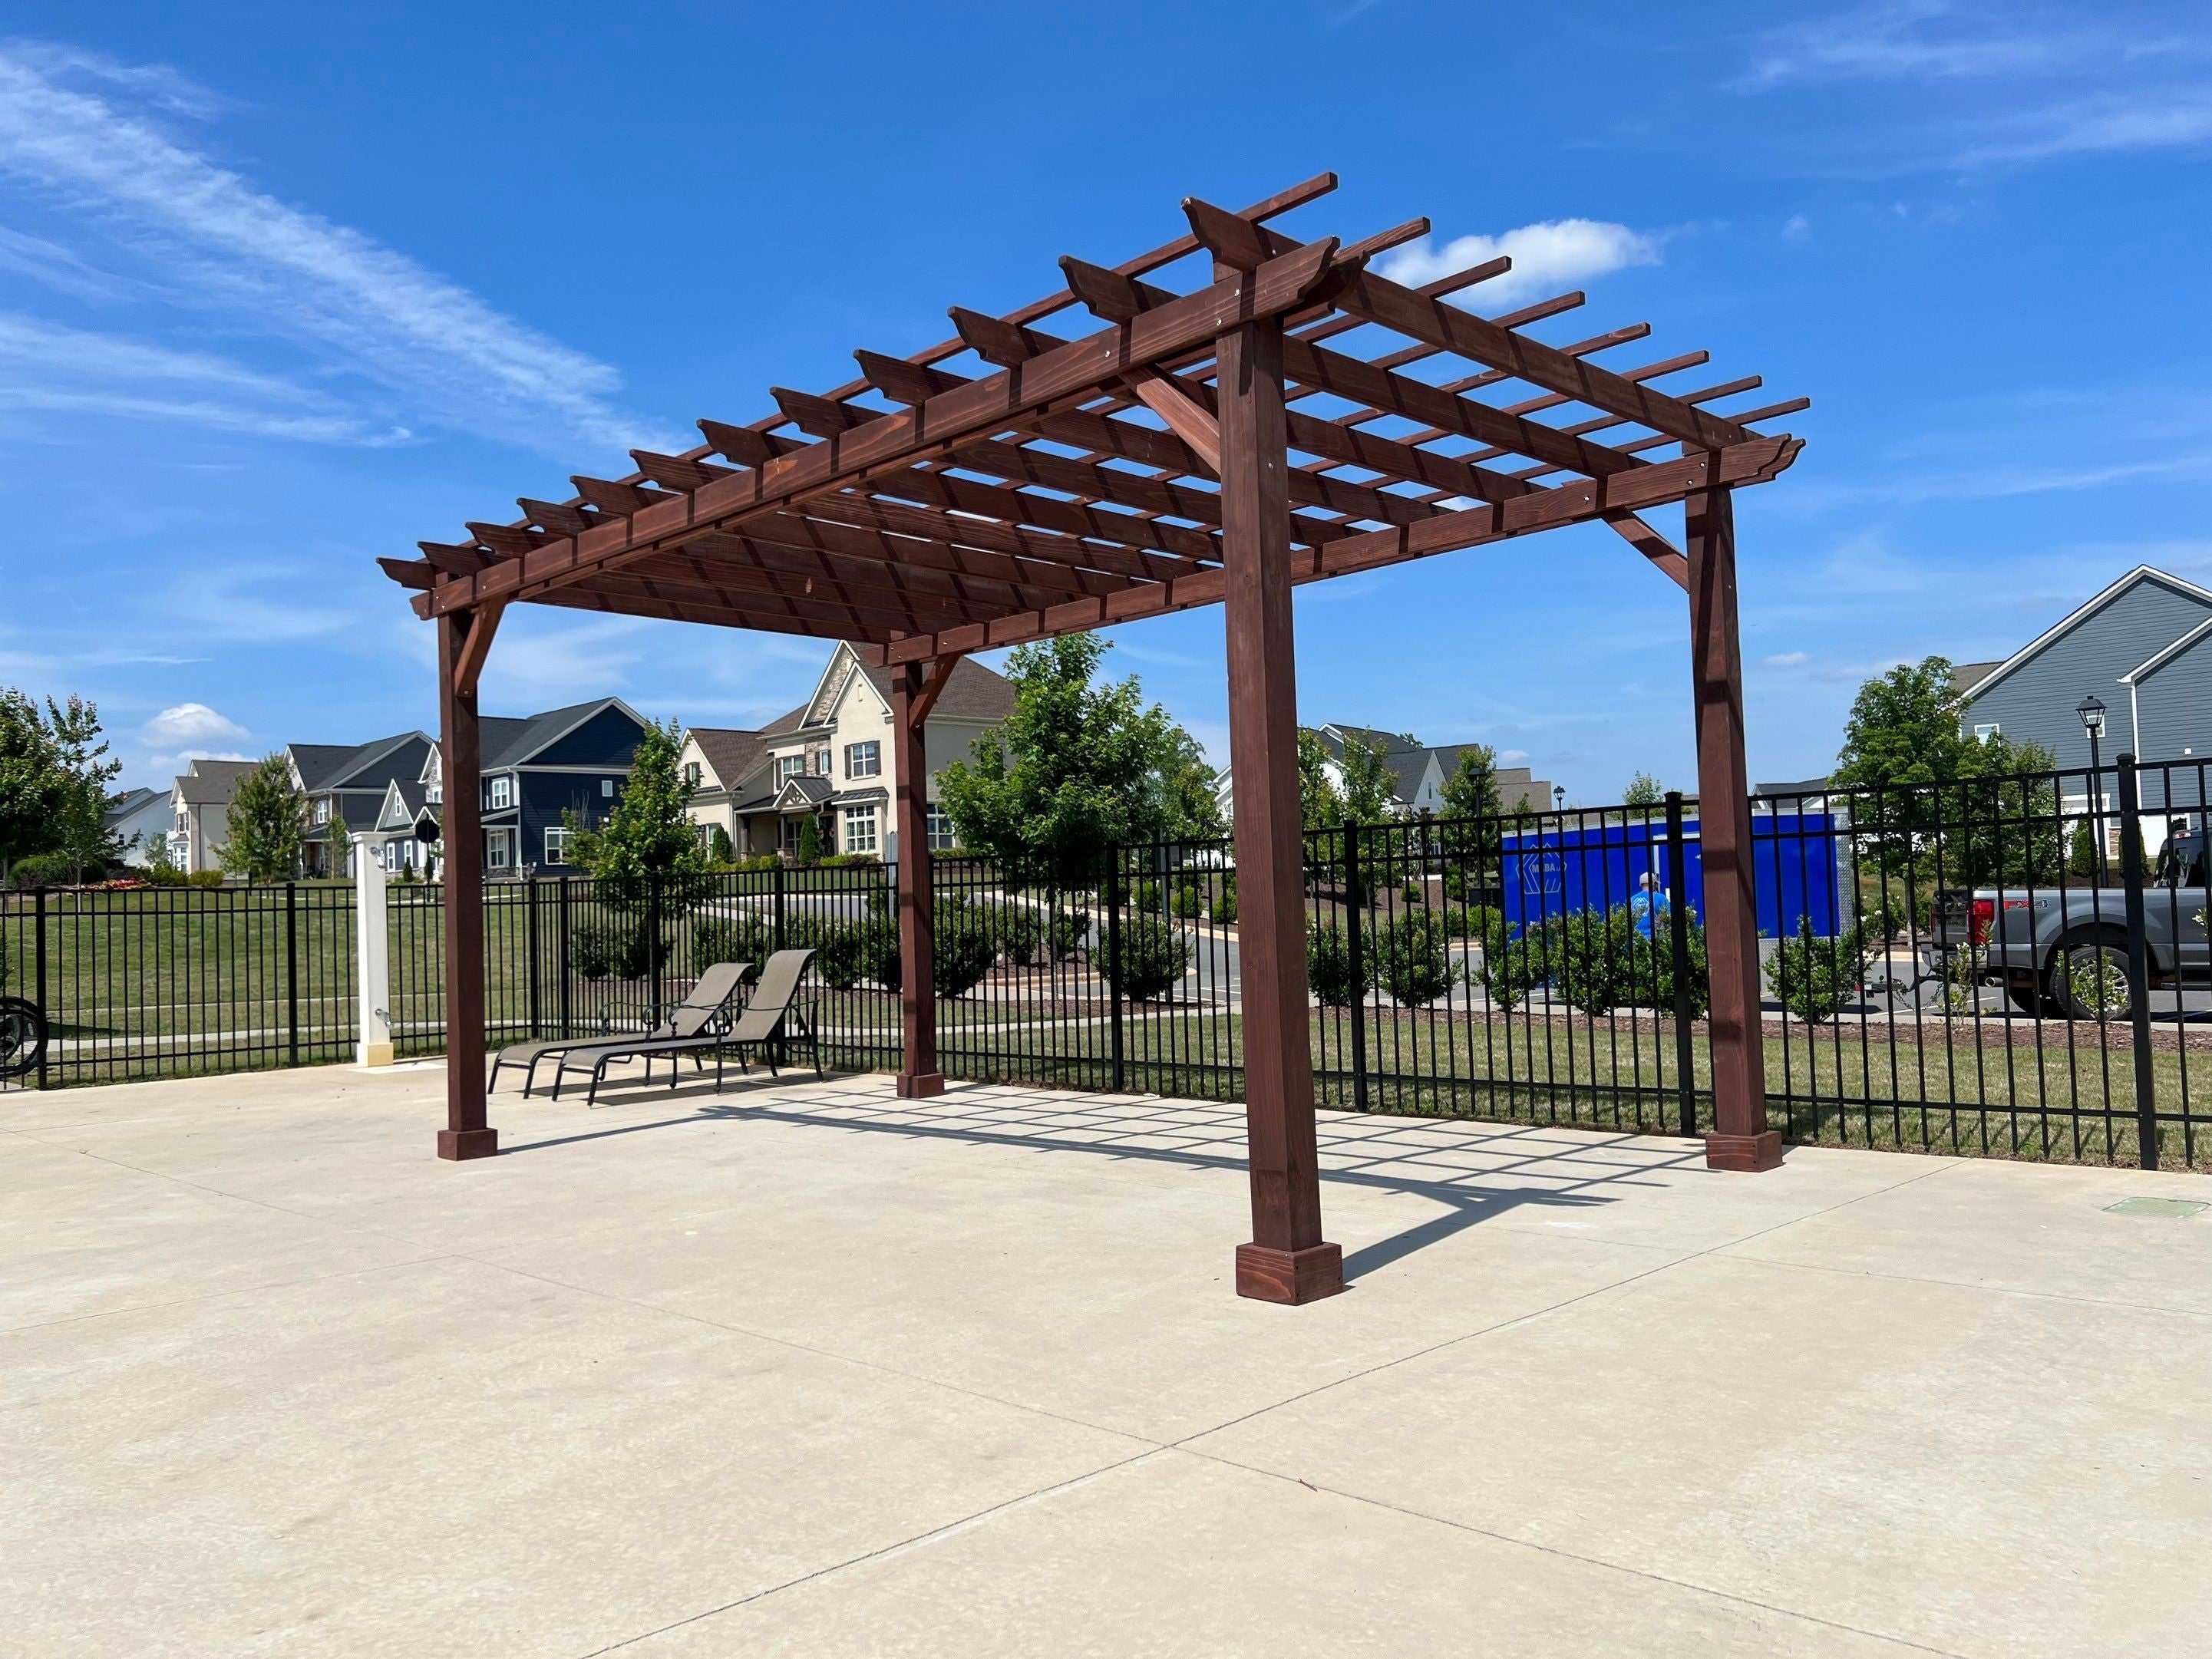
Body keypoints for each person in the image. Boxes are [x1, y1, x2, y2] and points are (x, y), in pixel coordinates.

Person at [1629, 870, 1668, 939]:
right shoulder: (1661, 898)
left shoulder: (1632, 900)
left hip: (1636, 940)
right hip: (1655, 939)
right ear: (1654, 883)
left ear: (1641, 884)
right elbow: (1669, 917)